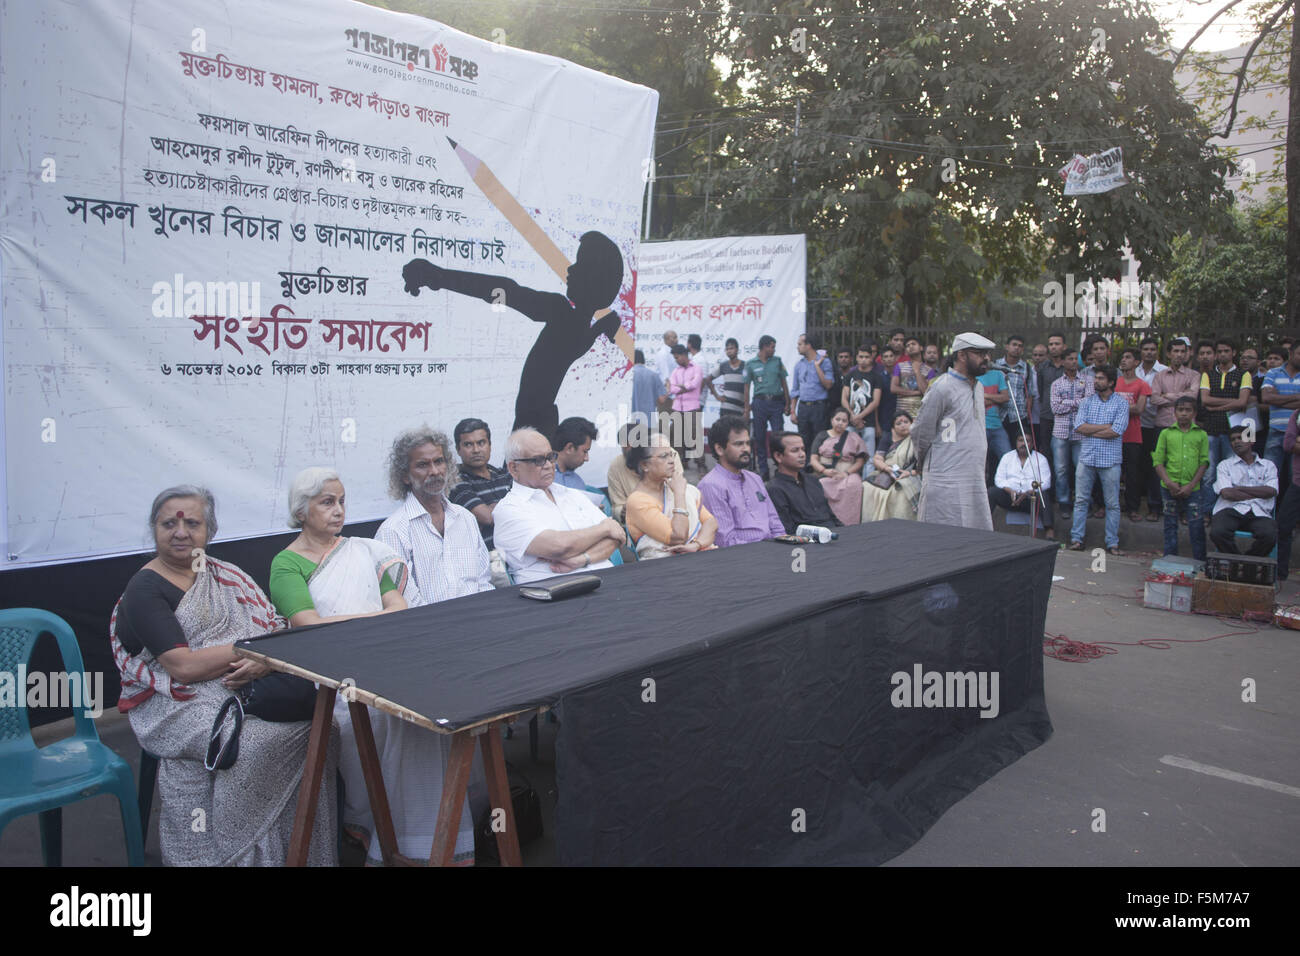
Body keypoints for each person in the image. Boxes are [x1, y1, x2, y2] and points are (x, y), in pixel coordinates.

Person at [109, 486, 337, 866]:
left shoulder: (225, 575)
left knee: (325, 729)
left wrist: (264, 659)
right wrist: (252, 650)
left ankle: (298, 852)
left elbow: (275, 631)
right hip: (175, 702)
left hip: (242, 684)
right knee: (252, 744)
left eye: (193, 523)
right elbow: (182, 667)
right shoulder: (145, 589)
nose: (180, 532)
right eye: (169, 523)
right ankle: (238, 851)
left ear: (209, 531)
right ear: (154, 529)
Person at [268, 468, 464, 866]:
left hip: (387, 657)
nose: (338, 510)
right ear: (301, 511)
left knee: (429, 711)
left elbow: (398, 605)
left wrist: (374, 624)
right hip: (332, 675)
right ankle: (382, 831)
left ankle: (425, 841)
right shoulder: (286, 564)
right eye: (327, 502)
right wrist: (371, 622)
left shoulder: (362, 550)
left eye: (341, 501)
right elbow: (307, 626)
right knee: (382, 719)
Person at [402, 231, 632, 438]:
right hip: (540, 421)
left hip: (533, 423)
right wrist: (607, 324)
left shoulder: (560, 310)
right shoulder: (579, 326)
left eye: (580, 265)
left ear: (594, 280)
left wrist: (438, 276)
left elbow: (507, 292)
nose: (570, 269)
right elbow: (508, 292)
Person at [492, 427, 626, 584]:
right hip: (555, 594)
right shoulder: (509, 509)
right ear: (514, 468)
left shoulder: (572, 494)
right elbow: (559, 547)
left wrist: (583, 559)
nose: (549, 465)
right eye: (538, 460)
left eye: (551, 457)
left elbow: (616, 537)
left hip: (607, 581)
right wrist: (604, 528)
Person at [376, 426, 493, 605]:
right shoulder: (393, 531)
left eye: (439, 461)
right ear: (405, 476)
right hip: (428, 626)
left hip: (479, 616)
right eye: (423, 465)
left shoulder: (465, 518)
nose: (435, 471)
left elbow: (483, 581)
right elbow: (405, 600)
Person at [912, 332, 996, 530]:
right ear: (961, 355)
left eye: (987, 354)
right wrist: (924, 463)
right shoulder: (942, 387)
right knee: (943, 535)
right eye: (979, 353)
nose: (986, 359)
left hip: (973, 477)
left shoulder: (979, 387)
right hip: (945, 478)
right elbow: (920, 431)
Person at [623, 433, 717, 559]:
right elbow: (678, 537)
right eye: (664, 456)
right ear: (644, 465)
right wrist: (679, 494)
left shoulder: (680, 489)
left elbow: (711, 522)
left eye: (671, 455)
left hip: (698, 556)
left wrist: (697, 545)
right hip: (662, 568)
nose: (672, 461)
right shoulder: (637, 501)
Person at [1068, 365, 1130, 554]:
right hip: (1087, 458)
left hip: (1110, 460)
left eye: (1101, 378)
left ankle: (1112, 542)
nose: (1096, 381)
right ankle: (1076, 539)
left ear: (1111, 382)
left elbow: (1116, 431)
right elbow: (1079, 427)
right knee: (1080, 501)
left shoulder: (1121, 403)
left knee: (1112, 504)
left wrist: (1092, 429)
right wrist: (1104, 426)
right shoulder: (1086, 402)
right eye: (1096, 378)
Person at [697, 415, 786, 546]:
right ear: (719, 449)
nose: (746, 449)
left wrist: (782, 543)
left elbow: (775, 523)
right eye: (738, 444)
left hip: (772, 549)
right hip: (742, 556)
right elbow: (725, 540)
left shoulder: (755, 479)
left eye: (748, 443)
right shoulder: (711, 485)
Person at [1199, 338, 1252, 515]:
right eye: (1220, 351)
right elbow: (1205, 400)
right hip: (1211, 430)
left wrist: (1217, 407)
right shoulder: (1208, 375)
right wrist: (1233, 402)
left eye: (1226, 351)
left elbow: (1243, 402)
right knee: (1208, 475)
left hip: (1235, 432)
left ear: (1234, 353)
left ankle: (1230, 512)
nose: (1222, 354)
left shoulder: (1244, 374)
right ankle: (1208, 513)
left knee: (1235, 473)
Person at [1152, 396, 1209, 560]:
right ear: (1175, 412)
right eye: (1180, 410)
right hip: (1169, 487)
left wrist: (1191, 485)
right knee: (1170, 524)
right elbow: (1158, 461)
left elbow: (1204, 462)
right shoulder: (1166, 433)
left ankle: (1200, 562)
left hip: (1193, 489)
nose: (1184, 414)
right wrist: (1169, 482)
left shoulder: (1201, 435)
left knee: (1196, 525)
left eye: (1188, 410)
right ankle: (1170, 560)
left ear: (1194, 413)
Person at [1209, 425, 1277, 556]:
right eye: (1233, 439)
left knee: (1270, 535)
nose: (1236, 442)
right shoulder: (1225, 465)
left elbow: (1271, 491)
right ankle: (1237, 561)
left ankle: (1248, 562)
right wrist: (1257, 492)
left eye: (1241, 438)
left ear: (1251, 441)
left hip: (1259, 512)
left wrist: (1240, 488)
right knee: (1217, 532)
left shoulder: (1268, 466)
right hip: (1230, 510)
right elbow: (1227, 493)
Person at [448, 418, 514, 552]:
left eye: (481, 443)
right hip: (490, 561)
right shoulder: (455, 482)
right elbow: (487, 517)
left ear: (490, 445)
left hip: (520, 552)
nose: (476, 450)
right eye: (468, 445)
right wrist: (512, 504)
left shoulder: (503, 475)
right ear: (458, 449)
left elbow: (528, 508)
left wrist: (493, 506)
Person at [765, 431, 843, 534]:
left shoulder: (813, 481)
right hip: (808, 542)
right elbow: (788, 529)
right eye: (795, 450)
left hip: (833, 534)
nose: (802, 454)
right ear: (778, 456)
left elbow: (831, 516)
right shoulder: (775, 489)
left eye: (803, 449)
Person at [606, 422, 682, 522]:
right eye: (625, 448)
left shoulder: (669, 455)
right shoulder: (616, 466)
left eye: (634, 448)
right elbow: (616, 506)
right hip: (636, 522)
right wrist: (622, 511)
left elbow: (679, 491)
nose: (630, 452)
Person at [987, 433, 1055, 539]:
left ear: (1032, 444)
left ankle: (1049, 530)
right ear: (1016, 442)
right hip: (1011, 497)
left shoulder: (1040, 459)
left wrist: (1028, 492)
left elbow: (1046, 483)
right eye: (1020, 440)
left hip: (1030, 499)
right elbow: (998, 479)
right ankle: (984, 526)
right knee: (991, 492)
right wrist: (1010, 491)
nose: (1023, 444)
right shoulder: (1007, 457)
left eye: (1027, 441)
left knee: (1043, 495)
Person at [742, 335, 791, 478]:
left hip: (776, 403)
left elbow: (784, 383)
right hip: (759, 403)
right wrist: (746, 409)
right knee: (760, 437)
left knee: (778, 436)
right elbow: (746, 387)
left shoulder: (777, 361)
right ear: (764, 347)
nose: (774, 350)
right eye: (772, 347)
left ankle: (780, 467)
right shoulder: (750, 364)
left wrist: (787, 403)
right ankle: (763, 469)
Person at [809, 406, 867, 526]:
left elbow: (860, 461)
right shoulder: (822, 436)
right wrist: (824, 471)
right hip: (825, 472)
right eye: (837, 419)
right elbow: (813, 459)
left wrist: (846, 473)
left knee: (854, 484)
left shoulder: (853, 437)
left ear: (848, 423)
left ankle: (849, 522)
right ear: (832, 420)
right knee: (821, 485)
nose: (840, 423)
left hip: (847, 472)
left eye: (844, 421)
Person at [1114, 348, 1153, 522]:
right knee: (1114, 473)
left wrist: (1117, 408)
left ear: (1136, 362)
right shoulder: (1114, 383)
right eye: (1122, 357)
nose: (1124, 360)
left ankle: (1132, 508)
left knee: (1132, 474)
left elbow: (1139, 409)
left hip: (1133, 435)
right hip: (1114, 435)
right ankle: (1113, 505)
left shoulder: (1142, 385)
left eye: (1128, 357)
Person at [861, 410, 921, 521]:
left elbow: (923, 465)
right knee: (866, 487)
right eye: (898, 423)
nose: (903, 425)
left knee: (900, 494)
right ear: (893, 427)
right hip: (887, 473)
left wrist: (909, 473)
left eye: (906, 422)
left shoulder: (917, 439)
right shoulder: (888, 438)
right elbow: (877, 458)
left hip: (910, 474)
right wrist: (887, 469)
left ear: (912, 423)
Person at [1049, 348, 1089, 515]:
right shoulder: (1057, 383)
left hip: (1081, 433)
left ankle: (1083, 502)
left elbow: (1089, 405)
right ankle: (1064, 502)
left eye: (1075, 359)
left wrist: (1067, 402)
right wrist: (1077, 403)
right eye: (1070, 359)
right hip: (1060, 432)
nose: (1073, 362)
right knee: (1061, 470)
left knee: (1082, 470)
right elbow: (1055, 407)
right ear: (1064, 361)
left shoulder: (1088, 381)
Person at [1135, 336, 1169, 519]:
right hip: (1135, 424)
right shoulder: (1133, 370)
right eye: (1146, 349)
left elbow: (1166, 397)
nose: (1149, 352)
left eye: (1152, 349)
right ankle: (1134, 504)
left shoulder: (1165, 371)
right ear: (1141, 351)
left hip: (1158, 424)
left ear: (1157, 351)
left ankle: (1155, 506)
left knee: (1156, 465)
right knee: (1137, 466)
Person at [1260, 341, 1300, 480]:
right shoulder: (1273, 372)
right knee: (1269, 476)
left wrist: (1277, 398)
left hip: (1297, 435)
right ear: (1291, 354)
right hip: (1276, 430)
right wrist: (1296, 397)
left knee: (1295, 478)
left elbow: (1271, 399)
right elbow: (1265, 398)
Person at [791, 332, 835, 458]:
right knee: (803, 439)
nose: (797, 347)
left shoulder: (824, 362)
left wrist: (817, 366)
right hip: (804, 407)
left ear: (808, 345)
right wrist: (793, 411)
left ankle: (817, 468)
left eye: (800, 344)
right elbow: (795, 390)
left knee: (819, 439)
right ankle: (804, 468)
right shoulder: (799, 365)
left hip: (819, 407)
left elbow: (828, 385)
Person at [993, 334, 1037, 453]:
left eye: (1020, 346)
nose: (1017, 348)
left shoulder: (1026, 368)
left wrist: (1027, 414)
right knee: (996, 451)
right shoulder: (995, 365)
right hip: (998, 415)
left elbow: (1030, 394)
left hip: (1018, 416)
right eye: (1014, 345)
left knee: (1016, 450)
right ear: (1007, 347)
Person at [842, 343, 884, 456]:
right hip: (850, 421)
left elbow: (876, 402)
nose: (863, 360)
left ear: (871, 358)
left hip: (868, 422)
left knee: (869, 457)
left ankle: (868, 475)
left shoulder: (877, 377)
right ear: (856, 358)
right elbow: (844, 399)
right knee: (848, 455)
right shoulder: (849, 375)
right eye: (861, 357)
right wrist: (852, 416)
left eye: (866, 357)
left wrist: (859, 417)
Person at [667, 344, 704, 467]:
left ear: (684, 355)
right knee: (676, 437)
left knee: (694, 437)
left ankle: (701, 465)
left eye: (677, 357)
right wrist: (685, 387)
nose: (676, 360)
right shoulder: (676, 371)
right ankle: (680, 464)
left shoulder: (696, 368)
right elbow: (671, 388)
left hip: (692, 407)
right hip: (677, 407)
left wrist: (682, 387)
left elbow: (695, 384)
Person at [1274, 409, 1300, 579]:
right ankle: (1280, 573)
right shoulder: (1297, 414)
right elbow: (1288, 444)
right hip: (1298, 484)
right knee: (1283, 527)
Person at [977, 361, 1011, 482]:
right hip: (978, 427)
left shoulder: (998, 374)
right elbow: (974, 401)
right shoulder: (972, 376)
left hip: (997, 426)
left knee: (1007, 458)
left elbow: (1005, 397)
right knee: (980, 465)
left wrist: (984, 395)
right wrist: (996, 399)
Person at [1036, 332, 1067, 457]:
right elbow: (1040, 389)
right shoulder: (1043, 367)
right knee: (1046, 449)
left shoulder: (1070, 366)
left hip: (1066, 415)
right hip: (1047, 415)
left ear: (1064, 346)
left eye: (1057, 344)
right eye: (1051, 344)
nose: (1053, 347)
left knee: (1064, 452)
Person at [891, 336, 936, 419]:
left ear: (921, 348)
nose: (910, 346)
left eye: (913, 344)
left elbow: (927, 392)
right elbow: (893, 388)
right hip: (902, 415)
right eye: (908, 346)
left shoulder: (930, 371)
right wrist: (916, 393)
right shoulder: (899, 366)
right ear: (906, 352)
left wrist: (917, 371)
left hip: (921, 415)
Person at [552, 416, 598, 490]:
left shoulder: (578, 483)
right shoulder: (541, 476)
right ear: (570, 448)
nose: (587, 458)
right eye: (585, 451)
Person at [707, 337, 747, 420]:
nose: (729, 351)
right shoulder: (723, 366)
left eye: (731, 348)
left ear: (737, 350)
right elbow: (708, 379)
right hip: (726, 408)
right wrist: (717, 396)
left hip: (740, 409)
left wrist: (747, 409)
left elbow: (748, 387)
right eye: (727, 349)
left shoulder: (745, 366)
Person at [630, 349, 666, 427]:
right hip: (649, 422)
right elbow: (662, 399)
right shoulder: (653, 375)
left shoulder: (627, 377)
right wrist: (669, 389)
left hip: (630, 422)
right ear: (643, 360)